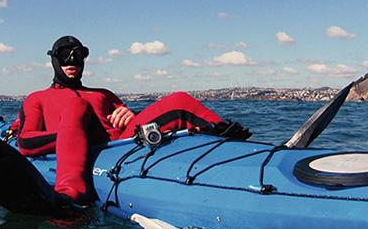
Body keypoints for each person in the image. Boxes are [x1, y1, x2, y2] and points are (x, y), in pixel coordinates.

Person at [16, 35, 250, 204]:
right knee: (76, 105)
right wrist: (72, 138)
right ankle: (70, 194)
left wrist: (131, 116)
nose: (72, 60)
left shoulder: (103, 93)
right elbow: (25, 142)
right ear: (54, 60)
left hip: (123, 144)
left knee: (180, 100)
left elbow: (136, 124)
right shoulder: (37, 98)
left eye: (78, 54)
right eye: (64, 55)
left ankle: (243, 153)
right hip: (82, 149)